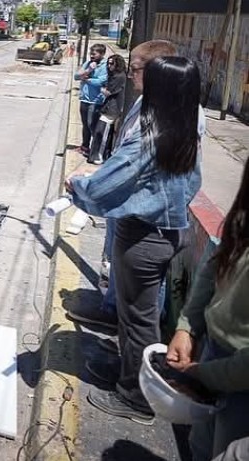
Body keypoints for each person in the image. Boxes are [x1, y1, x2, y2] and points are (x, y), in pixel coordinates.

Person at [66, 56, 204, 424]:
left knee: (138, 319)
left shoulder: (149, 136)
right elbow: (193, 185)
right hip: (168, 233)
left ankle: (136, 397)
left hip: (142, 237)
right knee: (138, 315)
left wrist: (78, 184)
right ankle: (128, 372)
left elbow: (103, 185)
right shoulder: (185, 129)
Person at [65, 40, 179, 332]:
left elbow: (130, 163)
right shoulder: (149, 101)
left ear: (156, 72)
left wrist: (83, 187)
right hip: (132, 209)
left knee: (141, 304)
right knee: (126, 275)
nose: (130, 74)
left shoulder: (161, 115)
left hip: (144, 215)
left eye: (136, 68)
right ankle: (115, 310)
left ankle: (130, 345)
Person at [166, 160, 249, 461]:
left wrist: (200, 375)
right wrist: (186, 327)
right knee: (200, 447)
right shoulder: (243, 216)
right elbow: (214, 266)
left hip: (239, 382)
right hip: (214, 355)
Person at [88, 54, 127, 165]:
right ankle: (97, 155)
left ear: (117, 64)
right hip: (109, 106)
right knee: (100, 131)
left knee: (102, 132)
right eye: (108, 63)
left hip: (112, 108)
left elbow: (108, 92)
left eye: (112, 63)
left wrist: (101, 89)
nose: (109, 66)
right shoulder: (114, 75)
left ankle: (99, 156)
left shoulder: (119, 77)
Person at [74, 43, 108, 154]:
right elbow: (76, 76)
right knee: (85, 125)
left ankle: (96, 149)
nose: (91, 56)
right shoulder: (89, 63)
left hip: (96, 101)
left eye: (94, 54)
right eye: (90, 53)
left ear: (102, 54)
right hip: (84, 99)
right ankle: (85, 146)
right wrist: (88, 70)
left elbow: (101, 81)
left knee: (92, 125)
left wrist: (87, 79)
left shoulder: (105, 66)